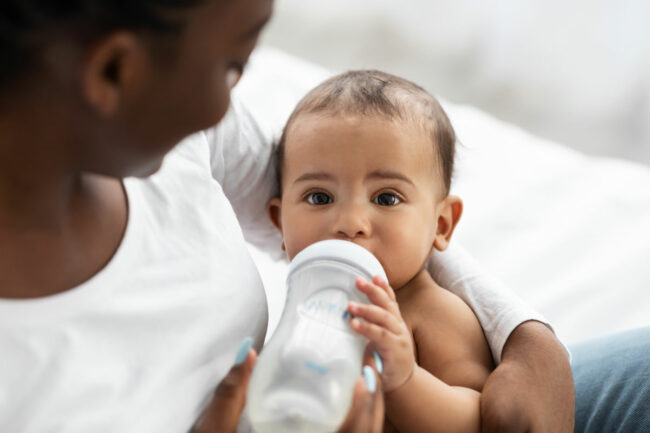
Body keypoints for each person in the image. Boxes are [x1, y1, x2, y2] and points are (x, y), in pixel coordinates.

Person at [3, 1, 644, 432]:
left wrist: (525, 335)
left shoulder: (179, 140)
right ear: (116, 70)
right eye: (231, 67)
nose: (235, 103)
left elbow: (359, 215)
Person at [266, 69, 494, 432]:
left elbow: (477, 420)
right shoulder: (306, 304)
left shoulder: (435, 313)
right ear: (280, 222)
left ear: (441, 224)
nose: (351, 222)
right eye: (319, 197)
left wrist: (405, 379)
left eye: (386, 198)